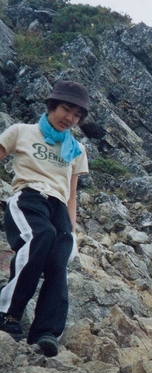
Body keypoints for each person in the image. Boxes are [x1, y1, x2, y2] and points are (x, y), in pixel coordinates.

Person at [0, 80, 90, 357]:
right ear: (52, 105)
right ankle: (8, 313)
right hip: (29, 196)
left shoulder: (76, 150)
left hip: (58, 206)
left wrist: (72, 232)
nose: (70, 118)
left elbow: (71, 195)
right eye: (66, 109)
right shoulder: (21, 132)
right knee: (40, 236)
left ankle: (47, 331)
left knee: (58, 256)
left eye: (76, 115)